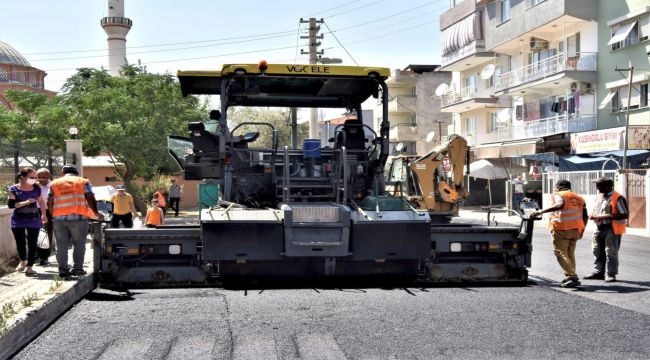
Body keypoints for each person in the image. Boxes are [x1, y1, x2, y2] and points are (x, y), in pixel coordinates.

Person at [48, 164, 104, 278]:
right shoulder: (82, 181)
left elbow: (50, 201)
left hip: (58, 219)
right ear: (77, 172)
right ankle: (77, 269)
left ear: (62, 173)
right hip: (78, 218)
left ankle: (63, 270)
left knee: (61, 245)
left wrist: (52, 215)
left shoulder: (54, 183)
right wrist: (96, 212)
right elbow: (90, 197)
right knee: (79, 244)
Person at [530, 179, 587, 288]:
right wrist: (582, 229)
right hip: (576, 229)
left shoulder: (559, 194)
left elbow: (559, 205)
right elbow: (585, 215)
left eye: (555, 187)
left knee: (560, 252)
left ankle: (572, 276)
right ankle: (570, 275)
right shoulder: (578, 197)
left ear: (558, 187)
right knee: (570, 254)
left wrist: (540, 211)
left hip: (562, 228)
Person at [584, 177, 629, 283]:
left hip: (611, 229)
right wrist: (592, 215)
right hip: (598, 228)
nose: (597, 187)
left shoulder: (618, 197)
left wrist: (603, 217)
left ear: (608, 186)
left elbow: (624, 214)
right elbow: (596, 210)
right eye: (597, 185)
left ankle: (611, 274)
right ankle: (598, 272)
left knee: (611, 252)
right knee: (597, 250)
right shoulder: (599, 196)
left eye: (599, 185)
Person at [7, 167, 48, 276]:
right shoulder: (13, 189)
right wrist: (26, 202)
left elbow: (41, 202)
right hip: (18, 220)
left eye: (35, 177)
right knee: (20, 242)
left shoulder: (36, 188)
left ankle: (30, 266)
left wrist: (44, 215)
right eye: (31, 177)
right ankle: (23, 260)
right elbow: (11, 205)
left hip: (34, 219)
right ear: (22, 177)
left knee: (32, 243)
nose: (34, 179)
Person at [36, 167, 54, 265]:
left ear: (49, 176)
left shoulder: (53, 186)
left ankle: (44, 257)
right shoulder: (34, 186)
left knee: (47, 234)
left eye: (44, 177)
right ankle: (35, 255)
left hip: (48, 211)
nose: (41, 179)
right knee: (34, 233)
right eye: (39, 177)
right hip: (35, 211)